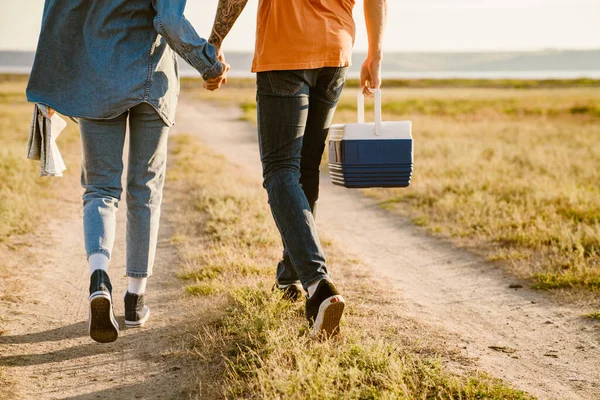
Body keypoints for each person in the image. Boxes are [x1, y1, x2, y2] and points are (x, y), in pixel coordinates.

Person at [26, 0, 229, 343]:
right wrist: (209, 65)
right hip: (153, 81)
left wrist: (50, 81)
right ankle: (135, 300)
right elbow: (168, 19)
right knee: (145, 190)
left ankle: (99, 278)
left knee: (100, 190)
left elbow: (58, 16)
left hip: (96, 82)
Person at [207, 0, 387, 337]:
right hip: (335, 49)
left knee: (280, 171)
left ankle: (318, 285)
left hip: (284, 49)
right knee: (304, 170)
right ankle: (289, 276)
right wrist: (375, 55)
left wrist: (215, 41)